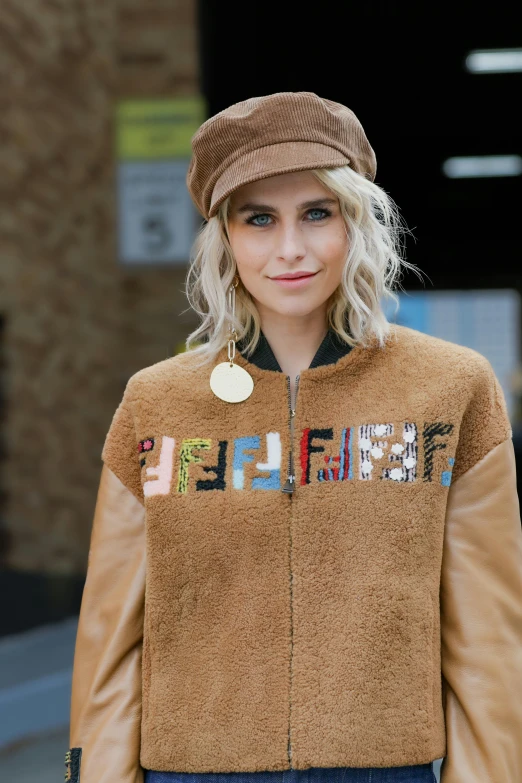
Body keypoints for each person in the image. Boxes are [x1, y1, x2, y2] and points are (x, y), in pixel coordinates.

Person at [66, 92, 522, 783]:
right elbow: (109, 647)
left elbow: (488, 640)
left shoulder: (452, 388)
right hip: (193, 771)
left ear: (355, 223)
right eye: (259, 219)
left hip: (382, 771)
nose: (290, 248)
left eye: (317, 213)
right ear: (225, 237)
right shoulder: (155, 404)